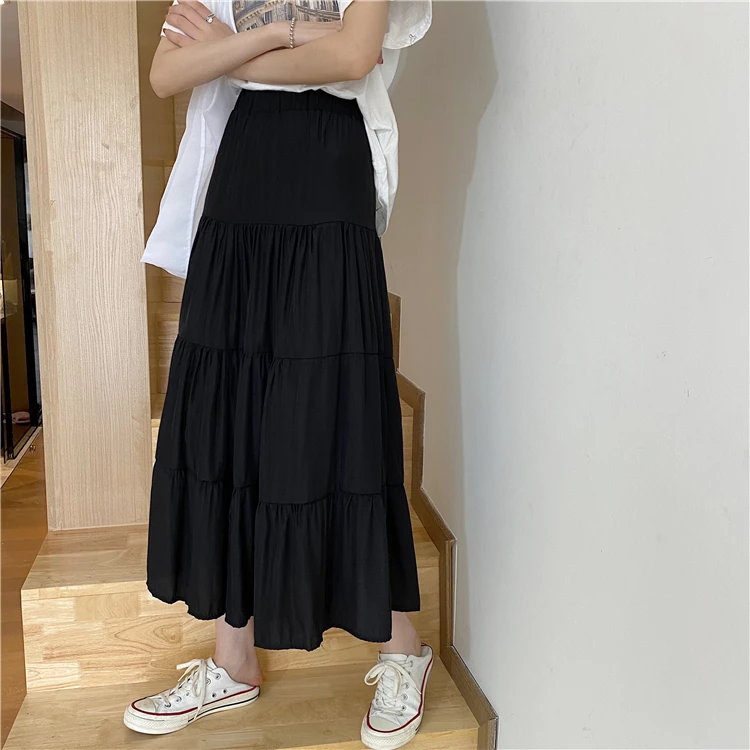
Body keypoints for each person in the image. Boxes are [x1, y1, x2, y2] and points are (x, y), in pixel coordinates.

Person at [123, 1, 432, 747]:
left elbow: (353, 56)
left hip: (330, 165)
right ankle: (233, 662)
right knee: (232, 405)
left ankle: (403, 649)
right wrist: (278, 35)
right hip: (242, 169)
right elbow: (167, 73)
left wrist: (231, 50)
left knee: (330, 406)